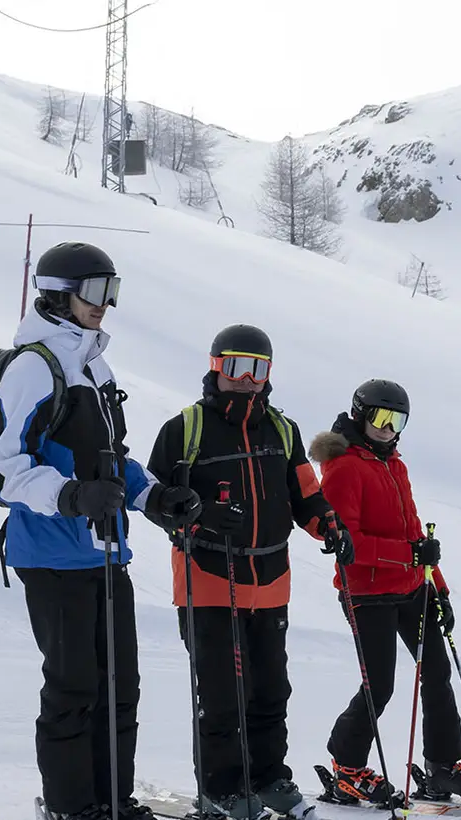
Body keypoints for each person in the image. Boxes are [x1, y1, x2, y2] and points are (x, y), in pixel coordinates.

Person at [0, 241, 204, 820]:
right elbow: (7, 468)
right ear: (59, 294)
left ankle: (112, 800)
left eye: (112, 291)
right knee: (73, 687)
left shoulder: (92, 364)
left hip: (105, 553)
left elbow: (111, 459)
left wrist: (154, 496)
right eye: (94, 291)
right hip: (52, 556)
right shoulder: (33, 367)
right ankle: (69, 806)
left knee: (119, 688)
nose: (104, 303)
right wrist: (69, 495)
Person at [146, 324, 354, 820]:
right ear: (216, 367)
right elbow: (153, 498)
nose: (247, 379)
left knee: (270, 690)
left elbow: (305, 494)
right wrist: (196, 515)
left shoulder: (282, 430)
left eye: (257, 370)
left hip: (271, 580)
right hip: (209, 579)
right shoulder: (186, 428)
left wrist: (328, 525)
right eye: (237, 367)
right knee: (222, 694)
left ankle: (268, 778)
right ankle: (221, 788)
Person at [314, 380, 461, 807]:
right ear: (360, 415)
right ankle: (347, 766)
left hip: (414, 589)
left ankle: (443, 765)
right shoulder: (344, 467)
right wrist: (409, 555)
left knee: (438, 672)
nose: (388, 428)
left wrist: (439, 588)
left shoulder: (395, 465)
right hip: (367, 593)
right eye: (381, 418)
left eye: (398, 421)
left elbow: (416, 536)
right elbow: (348, 544)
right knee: (380, 685)